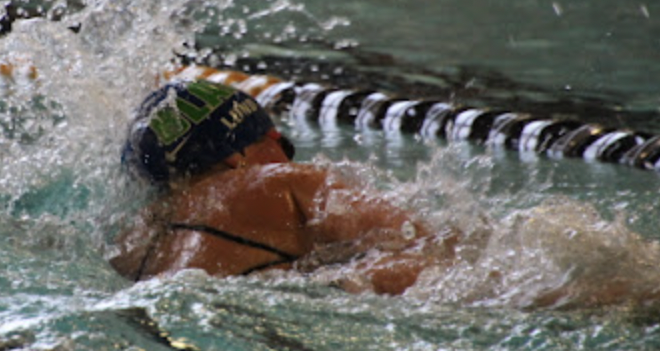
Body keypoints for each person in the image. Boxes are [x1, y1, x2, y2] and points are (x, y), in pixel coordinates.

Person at [111, 79, 457, 295]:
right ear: (237, 157)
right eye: (278, 143)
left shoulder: (132, 239)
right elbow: (432, 252)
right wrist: (337, 283)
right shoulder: (278, 183)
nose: (287, 159)